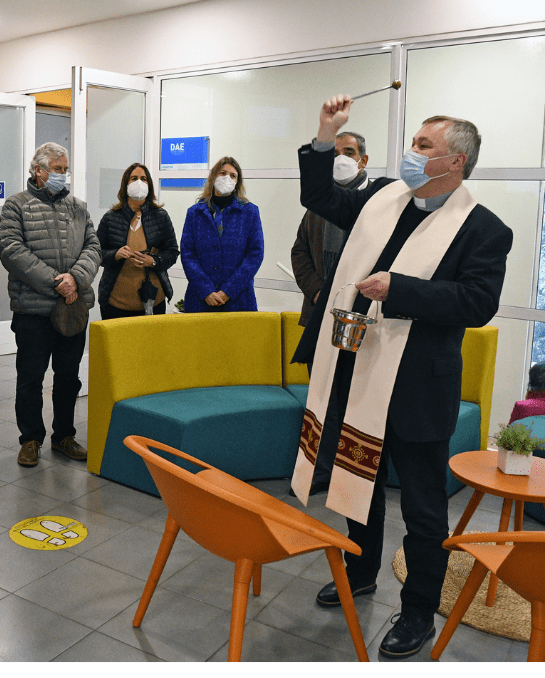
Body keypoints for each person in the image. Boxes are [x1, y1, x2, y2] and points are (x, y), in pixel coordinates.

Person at [289, 95, 513, 658]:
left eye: (423, 146)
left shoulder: (484, 229)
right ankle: (360, 573)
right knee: (356, 483)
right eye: (414, 143)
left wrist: (400, 291)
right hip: (358, 368)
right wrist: (324, 135)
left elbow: (477, 302)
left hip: (417, 387)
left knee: (422, 507)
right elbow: (317, 196)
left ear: (455, 161)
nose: (411, 154)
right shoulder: (384, 196)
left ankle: (417, 611)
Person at [0, 142, 101, 467]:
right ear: (38, 170)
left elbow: (93, 246)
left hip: (73, 309)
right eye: (57, 169)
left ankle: (64, 437)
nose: (63, 175)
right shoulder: (15, 206)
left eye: (64, 169)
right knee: (30, 378)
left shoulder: (78, 207)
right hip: (33, 311)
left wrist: (76, 279)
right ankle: (30, 439)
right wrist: (58, 282)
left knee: (68, 377)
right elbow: (11, 250)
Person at [290, 130, 369, 496]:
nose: (340, 158)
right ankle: (318, 471)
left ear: (363, 160)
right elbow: (299, 252)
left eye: (348, 152)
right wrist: (319, 290)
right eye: (335, 151)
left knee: (353, 400)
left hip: (361, 323)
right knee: (320, 396)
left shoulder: (378, 205)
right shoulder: (317, 206)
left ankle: (347, 473)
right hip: (319, 316)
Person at [180, 157, 264, 312]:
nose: (227, 178)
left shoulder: (249, 212)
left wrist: (228, 291)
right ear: (213, 177)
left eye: (233, 175)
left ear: (238, 182)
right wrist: (206, 291)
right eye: (223, 173)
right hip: (200, 300)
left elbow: (255, 255)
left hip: (239, 300)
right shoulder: (194, 213)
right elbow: (188, 254)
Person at [97, 163, 179, 319]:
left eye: (144, 179)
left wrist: (153, 260)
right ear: (126, 184)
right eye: (134, 178)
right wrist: (115, 254)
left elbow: (172, 251)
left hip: (153, 303)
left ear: (150, 185)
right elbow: (96, 253)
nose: (139, 183)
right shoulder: (110, 218)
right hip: (116, 304)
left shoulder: (160, 216)